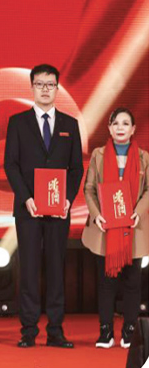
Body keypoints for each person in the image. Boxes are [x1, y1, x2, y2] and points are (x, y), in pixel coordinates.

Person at [4, 63, 83, 348]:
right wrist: (26, 198)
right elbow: (10, 164)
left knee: (55, 269)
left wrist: (67, 199)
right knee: (28, 269)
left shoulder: (70, 124)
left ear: (57, 88)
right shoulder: (17, 122)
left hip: (59, 210)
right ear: (32, 87)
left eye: (50, 85)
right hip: (28, 209)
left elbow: (76, 168)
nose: (45, 89)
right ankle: (28, 330)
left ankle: (56, 330)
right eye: (40, 84)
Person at [81, 108, 148, 350]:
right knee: (106, 283)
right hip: (105, 228)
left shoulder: (144, 157)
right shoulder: (98, 155)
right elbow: (89, 189)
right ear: (109, 128)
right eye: (116, 123)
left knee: (132, 283)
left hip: (134, 228)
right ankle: (106, 331)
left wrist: (138, 212)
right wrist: (96, 215)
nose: (120, 127)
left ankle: (129, 331)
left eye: (125, 123)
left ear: (133, 129)